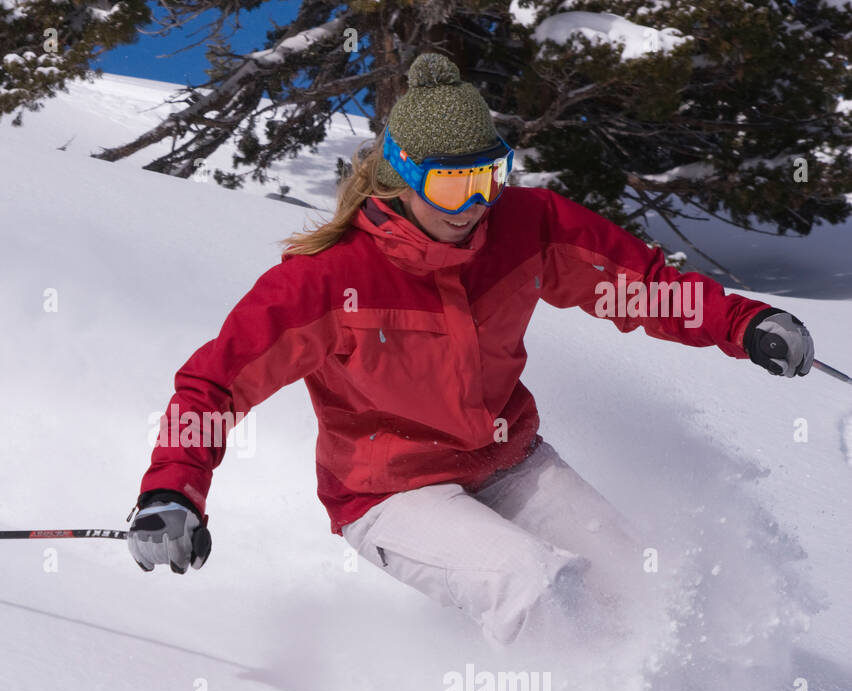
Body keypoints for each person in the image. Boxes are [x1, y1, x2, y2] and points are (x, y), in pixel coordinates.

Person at [126, 53, 815, 646]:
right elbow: (213, 387)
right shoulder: (326, 282)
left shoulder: (526, 225)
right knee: (532, 582)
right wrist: (171, 490)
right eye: (452, 183)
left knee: (636, 573)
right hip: (389, 493)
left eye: (488, 176)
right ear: (401, 175)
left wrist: (743, 324)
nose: (474, 204)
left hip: (505, 459)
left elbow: (642, 286)